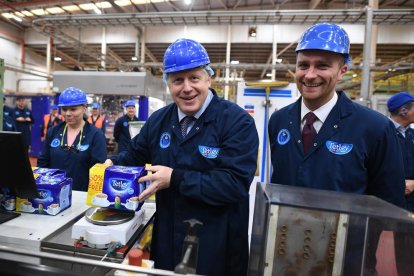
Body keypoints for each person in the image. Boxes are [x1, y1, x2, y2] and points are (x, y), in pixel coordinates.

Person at [105, 38, 259, 275]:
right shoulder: (159, 120)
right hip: (168, 238)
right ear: (168, 84)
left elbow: (234, 184)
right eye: (178, 80)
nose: (186, 88)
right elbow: (135, 153)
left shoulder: (237, 122)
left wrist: (175, 178)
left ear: (209, 78)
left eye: (194, 78)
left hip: (217, 244)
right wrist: (112, 162)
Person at [268, 23, 405, 275]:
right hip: (287, 257)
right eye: (303, 65)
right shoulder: (278, 121)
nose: (310, 74)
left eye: (322, 65)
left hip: (346, 261)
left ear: (342, 70)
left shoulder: (374, 128)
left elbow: (389, 205)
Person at [37, 87, 107, 191]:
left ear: (84, 108)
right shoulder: (53, 132)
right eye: (64, 109)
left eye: (73, 109)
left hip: (81, 194)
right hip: (54, 193)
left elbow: (98, 170)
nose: (68, 114)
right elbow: (43, 162)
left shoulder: (95, 135)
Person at [386, 92, 414, 276]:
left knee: (408, 245)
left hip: (411, 200)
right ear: (404, 111)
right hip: (385, 199)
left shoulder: (412, 134)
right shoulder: (381, 132)